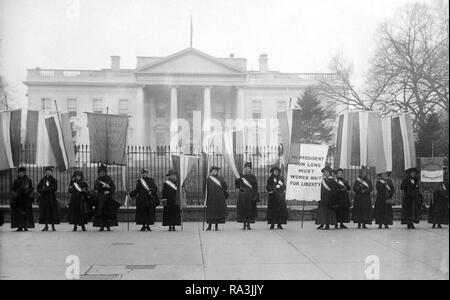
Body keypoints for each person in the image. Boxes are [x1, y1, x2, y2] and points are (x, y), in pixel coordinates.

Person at [93, 164, 120, 231]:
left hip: (107, 198)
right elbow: (95, 187)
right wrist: (101, 188)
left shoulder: (108, 179)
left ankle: (108, 226)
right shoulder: (97, 179)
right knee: (101, 212)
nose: (102, 173)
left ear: (105, 172)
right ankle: (101, 226)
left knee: (108, 212)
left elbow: (113, 187)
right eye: (100, 172)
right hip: (100, 199)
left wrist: (109, 191)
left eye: (103, 172)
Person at [236, 162, 259, 230]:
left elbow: (255, 186)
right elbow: (238, 186)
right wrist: (237, 180)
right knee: (243, 209)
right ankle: (244, 224)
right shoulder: (241, 176)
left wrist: (255, 194)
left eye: (248, 168)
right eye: (245, 168)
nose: (247, 169)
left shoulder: (253, 176)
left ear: (250, 169)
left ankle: (248, 224)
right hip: (243, 195)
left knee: (249, 209)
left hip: (250, 195)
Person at [10, 167, 35, 231]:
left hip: (26, 200)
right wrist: (15, 194)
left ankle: (25, 226)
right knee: (19, 214)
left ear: (24, 173)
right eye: (19, 172)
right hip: (18, 200)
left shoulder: (28, 180)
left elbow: (31, 189)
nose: (20, 174)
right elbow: (12, 189)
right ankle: (19, 226)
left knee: (26, 213)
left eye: (22, 172)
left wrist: (28, 192)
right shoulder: (16, 181)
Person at [205, 166, 229, 231]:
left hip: (219, 198)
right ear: (211, 172)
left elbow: (225, 186)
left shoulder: (221, 178)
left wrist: (221, 193)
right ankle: (209, 226)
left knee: (217, 213)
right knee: (210, 213)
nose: (214, 172)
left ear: (217, 171)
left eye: (215, 171)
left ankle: (216, 226)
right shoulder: (209, 179)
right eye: (213, 171)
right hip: (211, 198)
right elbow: (207, 189)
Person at [37, 166, 60, 231]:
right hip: (44, 198)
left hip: (51, 198)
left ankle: (53, 225)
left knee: (51, 212)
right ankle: (46, 225)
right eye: (47, 171)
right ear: (45, 172)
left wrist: (46, 189)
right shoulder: (43, 180)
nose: (48, 173)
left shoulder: (54, 180)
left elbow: (55, 188)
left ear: (51, 172)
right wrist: (41, 189)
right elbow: (38, 188)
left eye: (49, 171)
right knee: (45, 212)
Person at [316, 166, 337, 230]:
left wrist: (331, 196)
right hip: (322, 198)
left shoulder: (332, 181)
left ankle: (327, 225)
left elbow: (334, 190)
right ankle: (321, 224)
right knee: (321, 212)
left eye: (327, 172)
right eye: (325, 172)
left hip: (329, 198)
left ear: (330, 173)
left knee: (328, 213)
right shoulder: (322, 180)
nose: (326, 173)